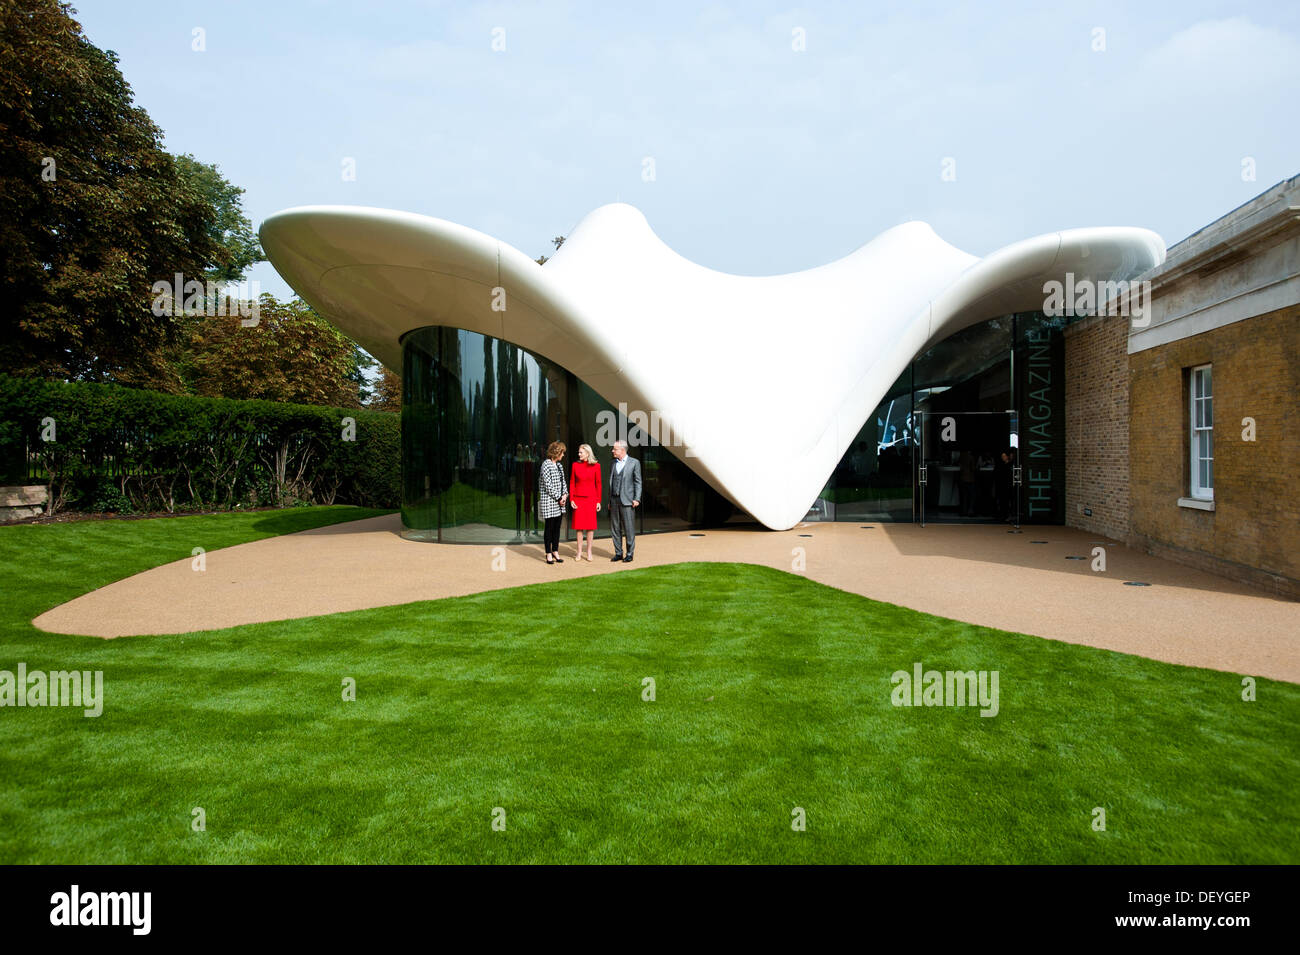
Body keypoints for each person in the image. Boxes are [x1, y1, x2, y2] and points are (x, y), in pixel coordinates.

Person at [608, 439, 642, 562]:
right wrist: (609, 501)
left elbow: (638, 482)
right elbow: (611, 484)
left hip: (627, 500)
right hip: (614, 500)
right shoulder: (613, 463)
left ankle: (629, 553)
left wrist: (637, 498)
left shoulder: (634, 463)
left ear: (622, 450)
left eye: (615, 449)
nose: (612, 451)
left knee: (629, 528)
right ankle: (618, 553)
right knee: (615, 528)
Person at [569, 443, 602, 562]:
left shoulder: (596, 466)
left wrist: (598, 501)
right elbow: (572, 482)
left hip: (591, 499)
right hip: (578, 499)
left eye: (580, 452)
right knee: (579, 528)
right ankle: (578, 552)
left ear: (587, 453)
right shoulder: (575, 465)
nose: (579, 454)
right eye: (578, 452)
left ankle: (589, 551)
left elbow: (598, 484)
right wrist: (571, 499)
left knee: (590, 527)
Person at [539, 441, 568, 565]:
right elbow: (548, 485)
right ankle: (548, 553)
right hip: (550, 502)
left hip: (560, 502)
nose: (563, 455)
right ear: (557, 452)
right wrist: (558, 498)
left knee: (557, 528)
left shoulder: (559, 466)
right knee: (549, 528)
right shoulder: (546, 465)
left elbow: (563, 482)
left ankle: (555, 550)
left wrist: (565, 495)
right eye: (562, 452)